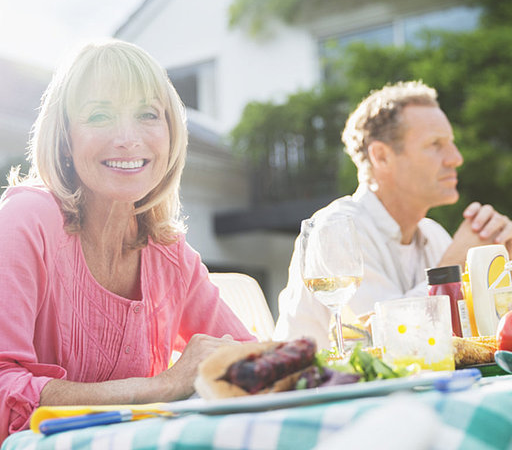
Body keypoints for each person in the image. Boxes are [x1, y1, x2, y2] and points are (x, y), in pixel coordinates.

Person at [0, 40, 255, 442]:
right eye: (100, 115)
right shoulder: (27, 221)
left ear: (170, 132)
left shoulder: (170, 253)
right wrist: (162, 386)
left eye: (147, 115)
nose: (127, 138)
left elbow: (248, 361)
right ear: (65, 138)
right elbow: (2, 389)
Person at [274, 81, 512, 349]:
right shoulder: (334, 229)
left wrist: (501, 268)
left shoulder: (432, 234)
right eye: (435, 144)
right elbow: (387, 343)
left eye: (451, 143)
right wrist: (454, 265)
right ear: (381, 156)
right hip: (319, 387)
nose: (455, 158)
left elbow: (470, 337)